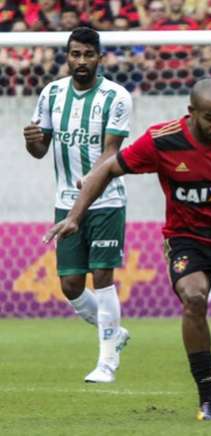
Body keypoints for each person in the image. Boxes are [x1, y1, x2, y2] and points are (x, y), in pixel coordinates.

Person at [43, 78, 211, 421]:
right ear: (192, 113)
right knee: (194, 297)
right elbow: (107, 169)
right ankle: (208, 398)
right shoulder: (162, 140)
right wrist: (76, 217)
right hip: (189, 240)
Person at [23, 27, 132, 384]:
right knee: (70, 285)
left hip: (107, 200)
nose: (81, 61)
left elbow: (110, 153)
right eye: (75, 54)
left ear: (100, 58)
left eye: (88, 55)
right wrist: (33, 142)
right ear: (67, 56)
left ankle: (107, 361)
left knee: (102, 277)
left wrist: (87, 195)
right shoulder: (51, 94)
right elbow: (40, 152)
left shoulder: (117, 96)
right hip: (65, 201)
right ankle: (114, 332)